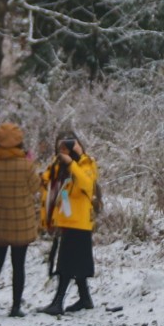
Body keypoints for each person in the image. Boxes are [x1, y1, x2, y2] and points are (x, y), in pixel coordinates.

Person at [0, 121, 42, 318]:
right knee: (19, 265)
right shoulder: (26, 166)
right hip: (21, 222)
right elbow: (35, 188)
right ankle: (15, 307)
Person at [41, 130, 99, 315]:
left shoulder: (86, 163)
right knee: (77, 263)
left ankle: (58, 302)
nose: (63, 152)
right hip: (67, 220)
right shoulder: (60, 166)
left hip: (80, 221)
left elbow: (86, 184)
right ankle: (85, 299)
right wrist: (58, 161)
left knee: (65, 264)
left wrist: (73, 161)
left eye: (67, 147)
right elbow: (46, 181)